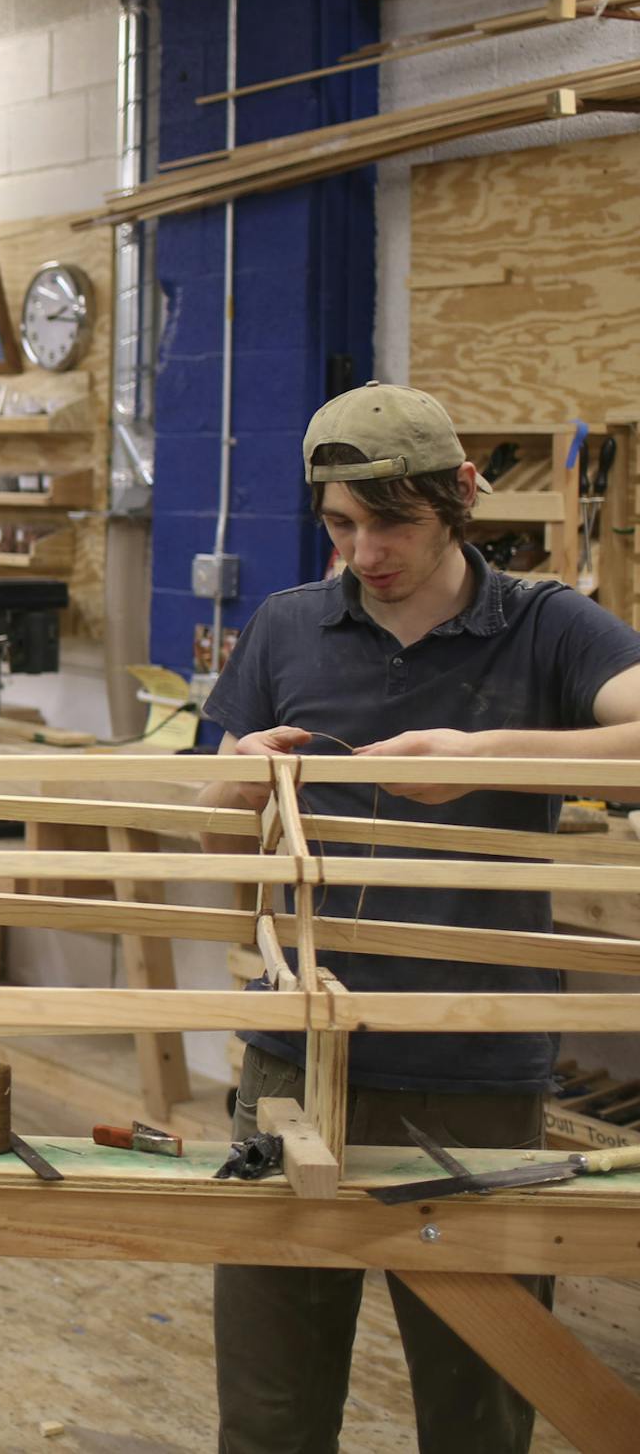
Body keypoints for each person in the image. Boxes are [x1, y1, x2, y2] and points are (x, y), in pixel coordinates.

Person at [197, 383, 640, 1454]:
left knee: (478, 1406)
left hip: (474, 1069)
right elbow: (217, 825)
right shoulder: (290, 624)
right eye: (342, 524)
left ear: (463, 497)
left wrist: (488, 754)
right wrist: (232, 783)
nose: (366, 551)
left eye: (393, 523)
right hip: (296, 1054)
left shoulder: (546, 625)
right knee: (270, 1412)